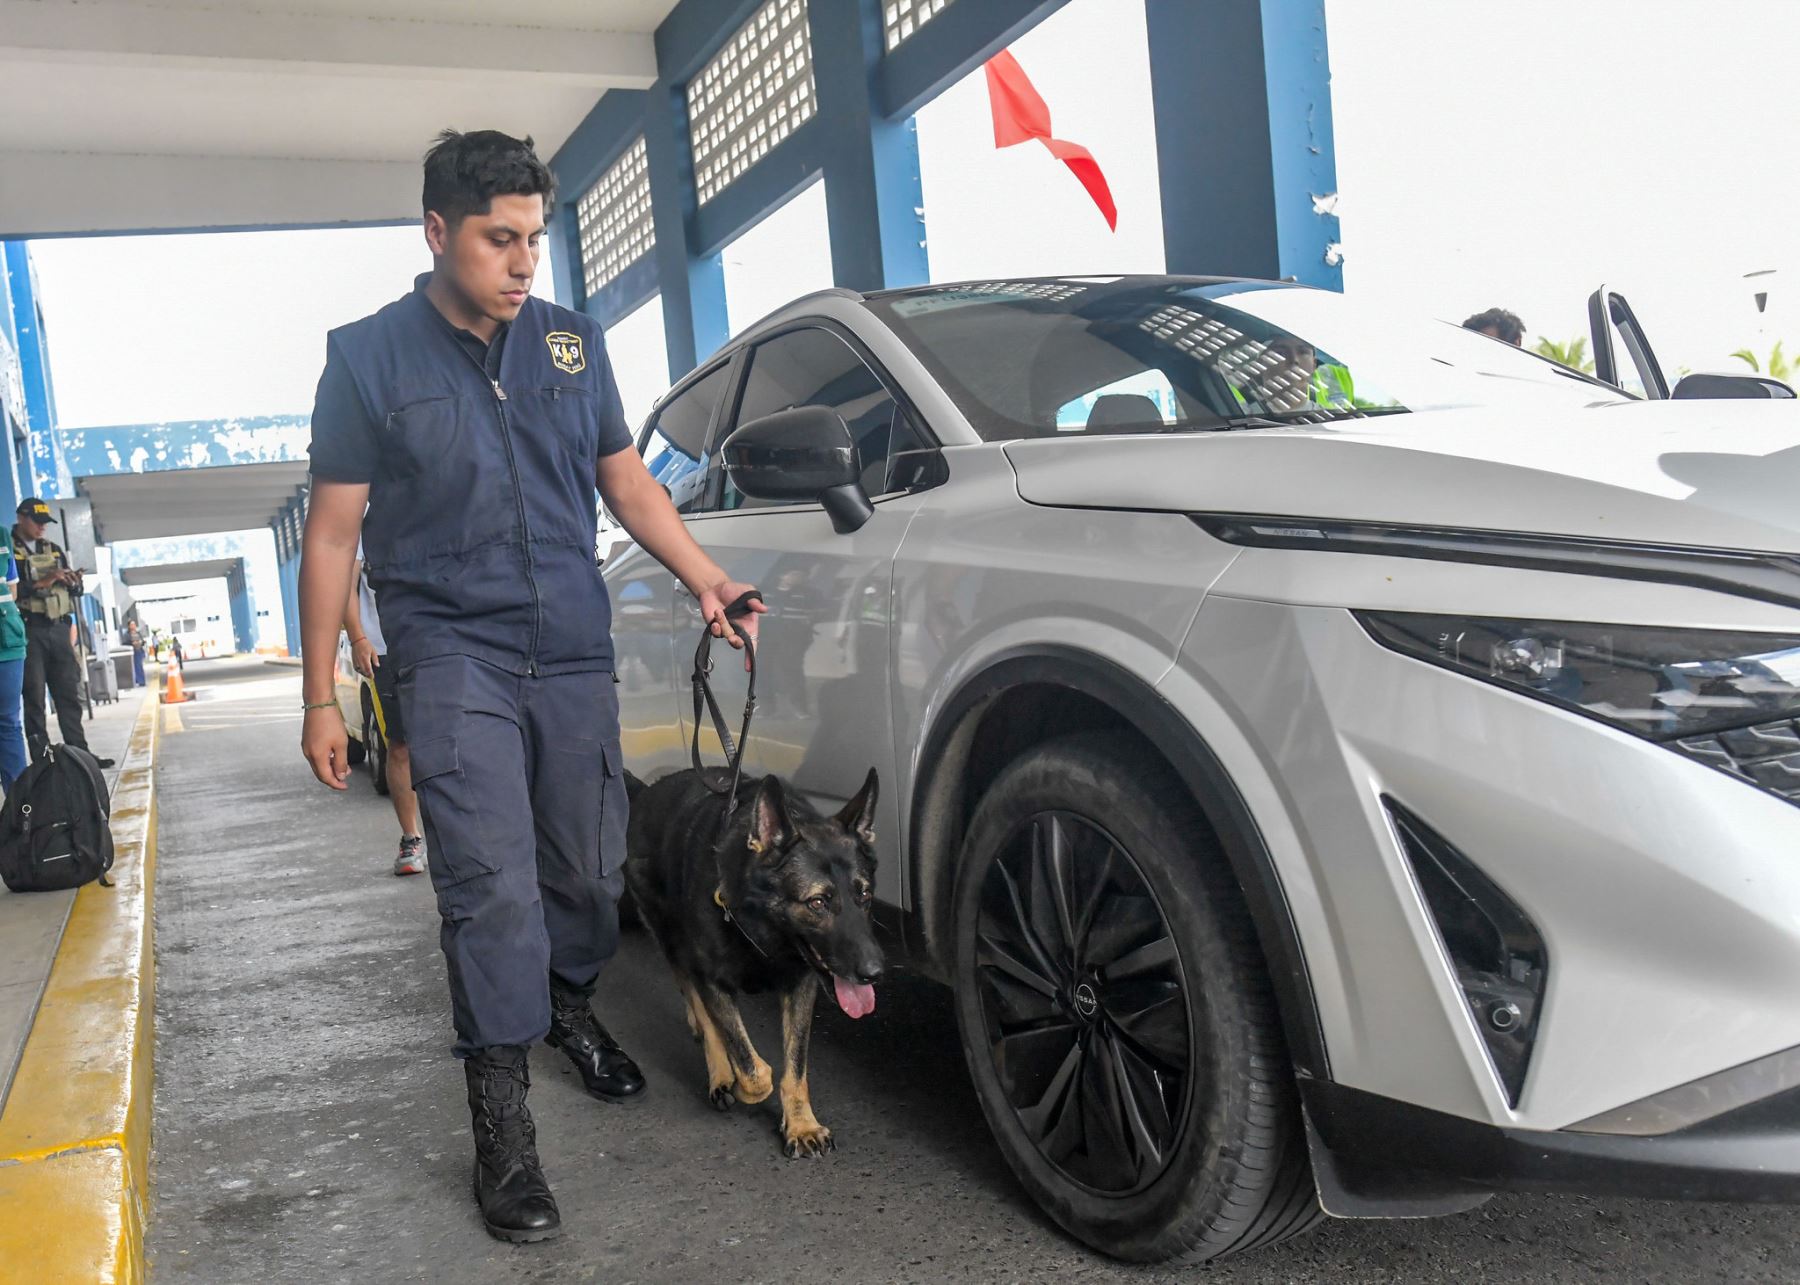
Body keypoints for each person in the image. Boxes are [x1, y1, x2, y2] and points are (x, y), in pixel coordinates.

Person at [297, 129, 764, 1245]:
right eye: (499, 240)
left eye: (533, 242)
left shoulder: (570, 345)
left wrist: (707, 578)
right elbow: (331, 535)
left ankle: (565, 1005)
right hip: (454, 653)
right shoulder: (367, 360)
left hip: (569, 648)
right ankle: (502, 1125)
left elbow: (626, 481)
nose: (521, 264)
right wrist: (320, 694)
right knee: (490, 886)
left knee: (588, 869)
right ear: (436, 233)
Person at [344, 548, 426, 876]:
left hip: (444, 640)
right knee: (401, 743)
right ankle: (411, 838)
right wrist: (358, 638)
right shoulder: (361, 516)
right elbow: (344, 584)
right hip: (385, 649)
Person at [11, 498, 112, 769]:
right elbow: (12, 590)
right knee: (33, 698)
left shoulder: (53, 550)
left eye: (45, 523)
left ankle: (81, 758)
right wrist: (45, 581)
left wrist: (73, 581)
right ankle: (43, 764)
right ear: (21, 518)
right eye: (37, 521)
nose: (42, 528)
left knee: (69, 693)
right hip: (28, 630)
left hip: (57, 629)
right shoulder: (8, 550)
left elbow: (73, 592)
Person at [0, 543, 29, 790]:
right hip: (7, 636)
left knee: (9, 723)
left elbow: (12, 591)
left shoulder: (2, 536)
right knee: (9, 724)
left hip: (8, 643)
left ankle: (20, 809)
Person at [127, 620, 146, 688]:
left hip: (139, 651)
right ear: (129, 626)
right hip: (132, 652)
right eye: (132, 625)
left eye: (134, 624)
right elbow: (125, 642)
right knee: (135, 667)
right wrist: (132, 643)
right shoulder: (127, 634)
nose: (133, 626)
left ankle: (142, 681)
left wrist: (142, 642)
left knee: (139, 666)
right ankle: (138, 680)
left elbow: (142, 641)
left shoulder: (138, 633)